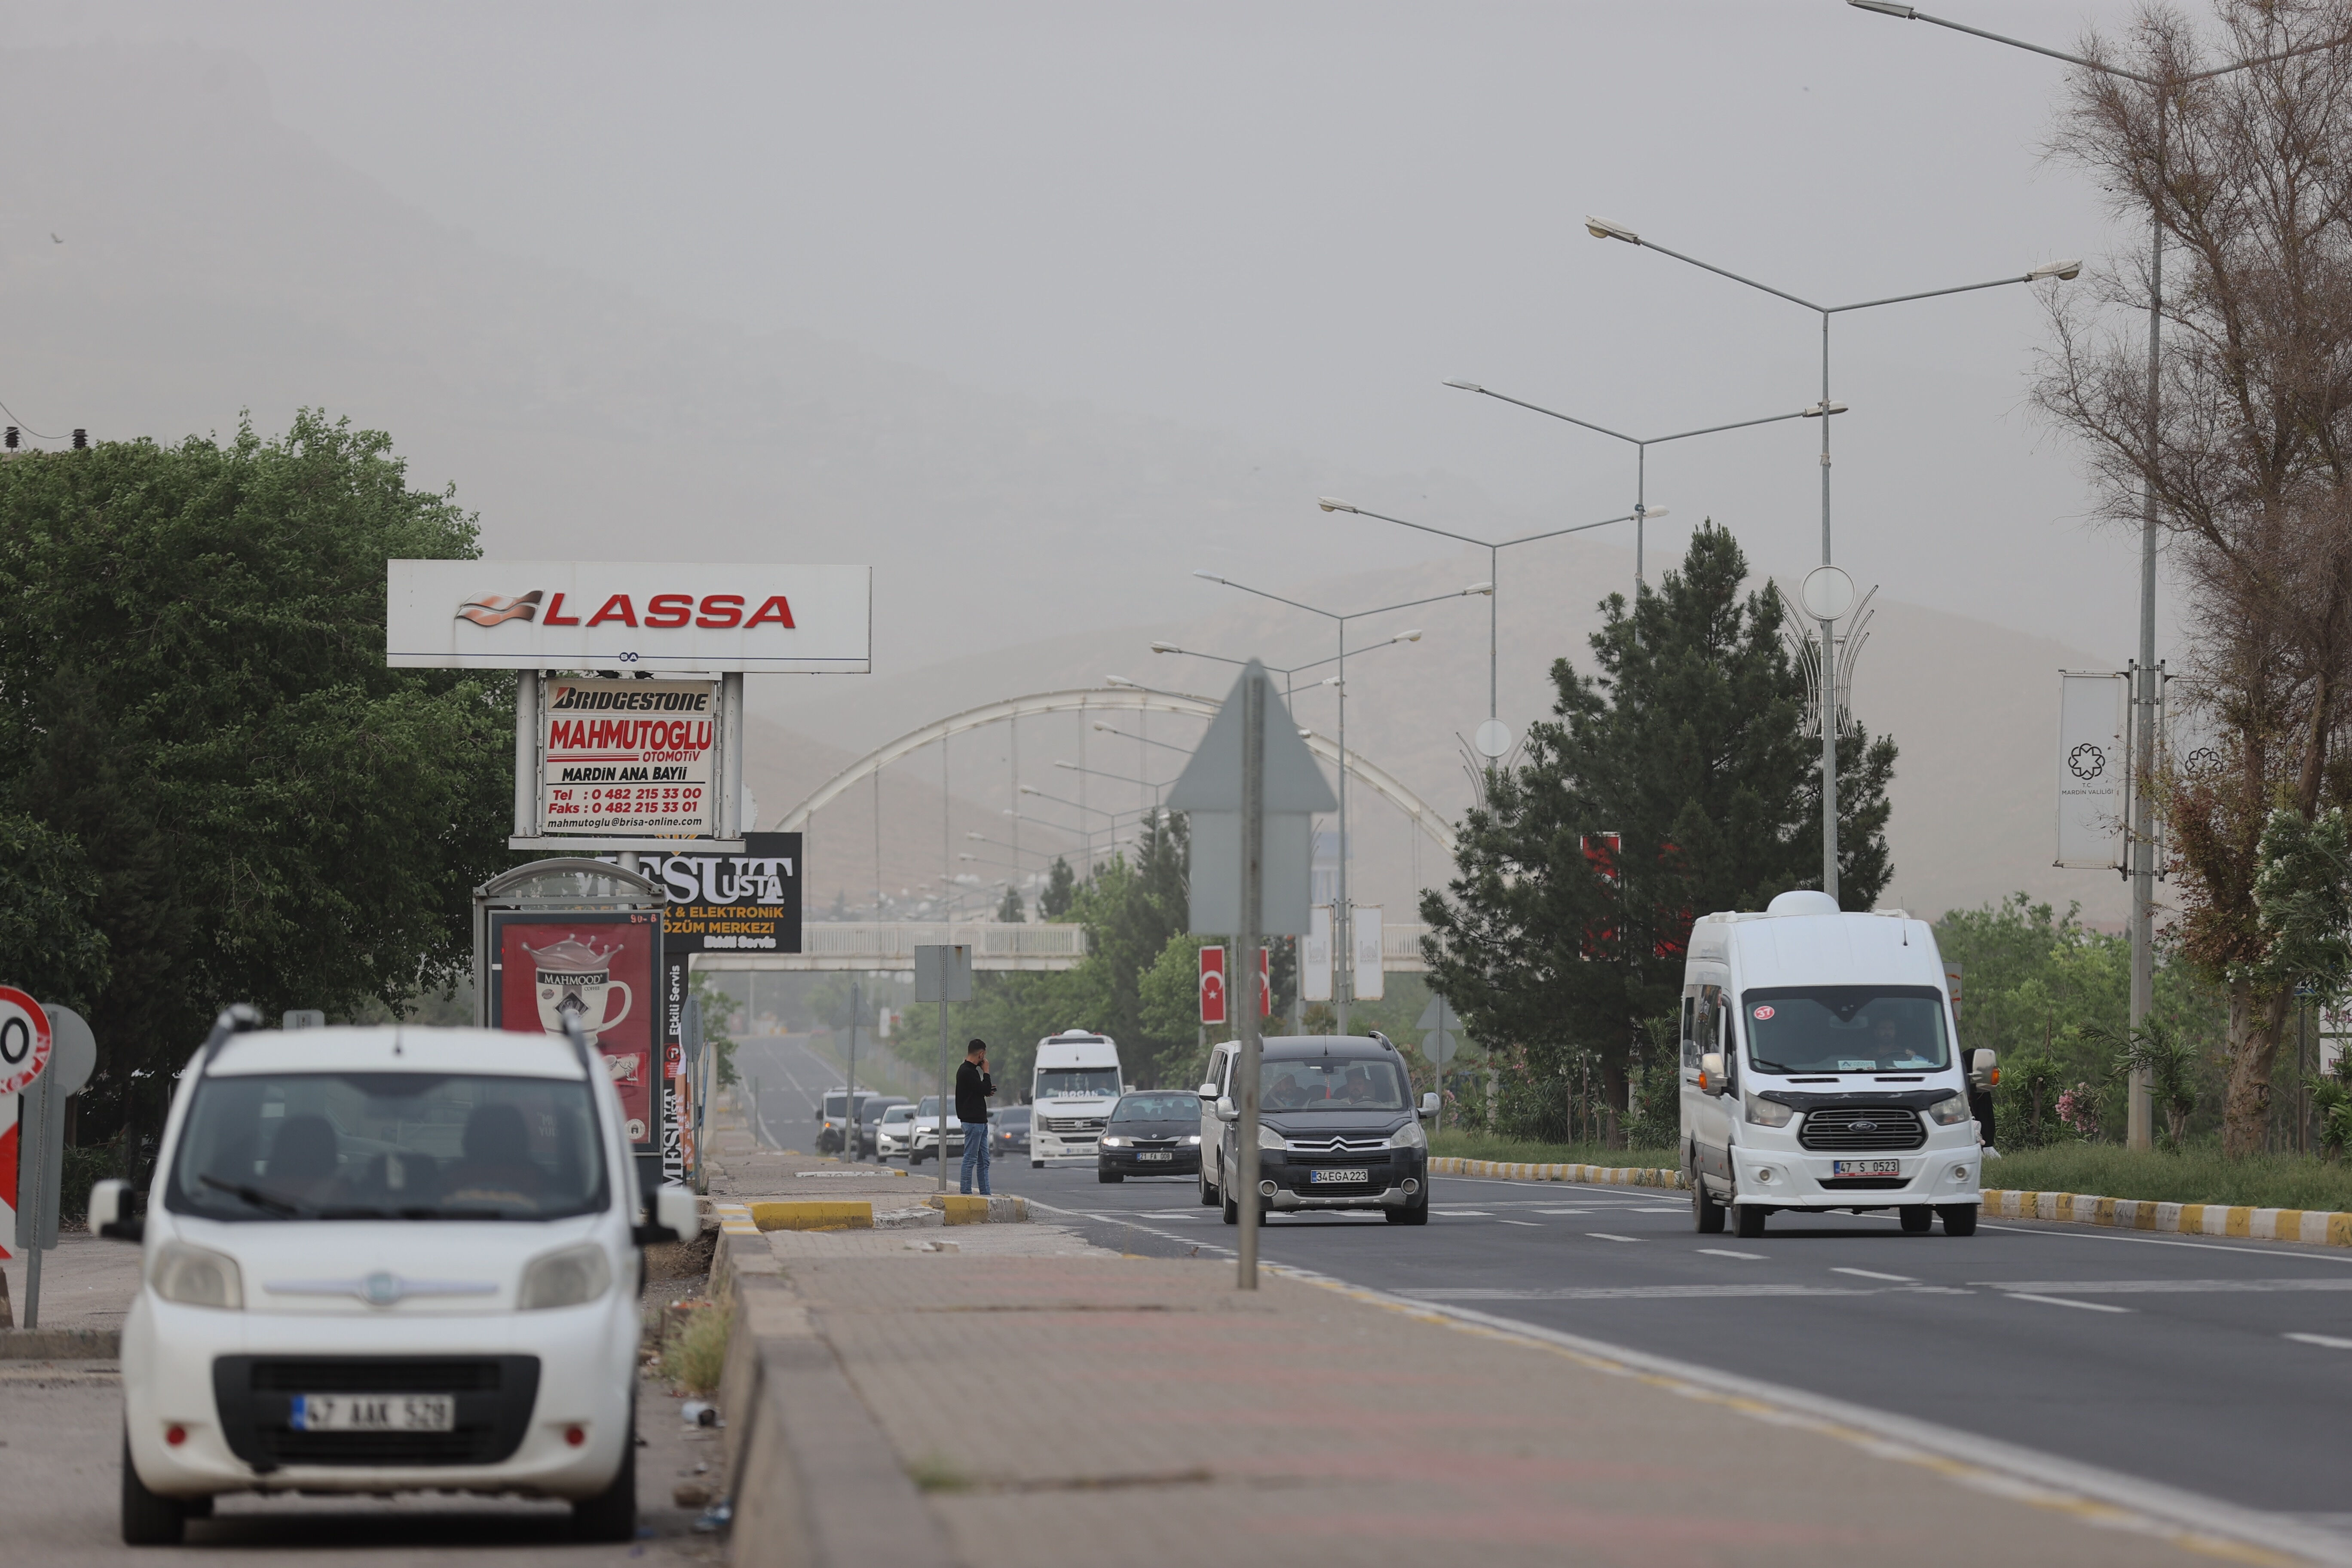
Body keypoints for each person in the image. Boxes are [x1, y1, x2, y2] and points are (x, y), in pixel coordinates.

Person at [956, 1038, 996, 1196]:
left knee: (984, 1161)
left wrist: (987, 1090)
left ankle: (986, 1193)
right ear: (981, 1055)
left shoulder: (970, 1071)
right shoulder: (967, 1071)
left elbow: (981, 1090)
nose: (984, 1060)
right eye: (984, 1056)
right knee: (970, 1159)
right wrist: (986, 1071)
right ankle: (966, 1192)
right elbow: (983, 1088)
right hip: (973, 1122)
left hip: (980, 1122)